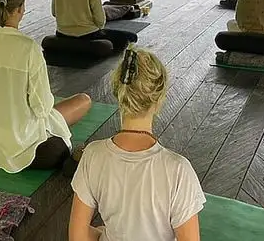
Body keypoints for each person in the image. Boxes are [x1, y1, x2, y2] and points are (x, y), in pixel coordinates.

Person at [69, 47, 205, 241]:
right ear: (159, 100)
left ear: (118, 92)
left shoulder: (93, 154)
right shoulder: (178, 170)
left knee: (99, 229)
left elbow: (77, 237)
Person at [0, 0, 92, 172]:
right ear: (21, 9)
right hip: (23, 140)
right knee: (83, 101)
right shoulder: (29, 48)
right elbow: (42, 106)